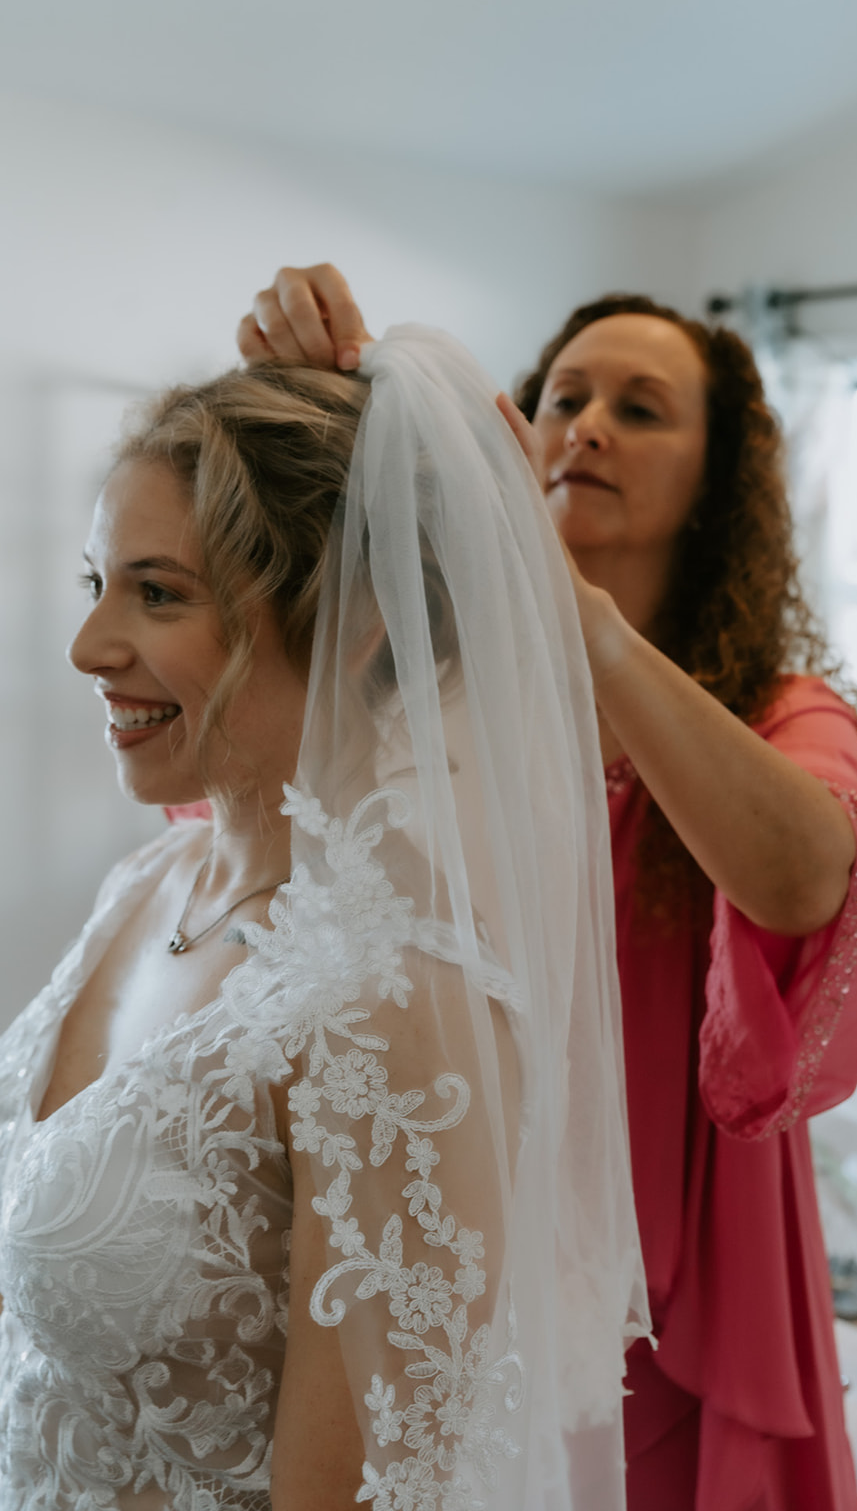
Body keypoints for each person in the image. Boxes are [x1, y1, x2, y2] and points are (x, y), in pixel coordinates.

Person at [237, 266, 857, 1511]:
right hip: (441, 1233)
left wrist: (576, 624)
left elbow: (806, 879)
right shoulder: (417, 694)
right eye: (562, 396)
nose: (583, 424)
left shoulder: (783, 712)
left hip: (684, 1271)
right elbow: (258, 822)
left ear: (718, 486)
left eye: (641, 409)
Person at [0, 329, 649, 1509]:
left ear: (355, 626)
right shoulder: (143, 888)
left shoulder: (400, 1003)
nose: (89, 647)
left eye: (159, 593)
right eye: (97, 583)